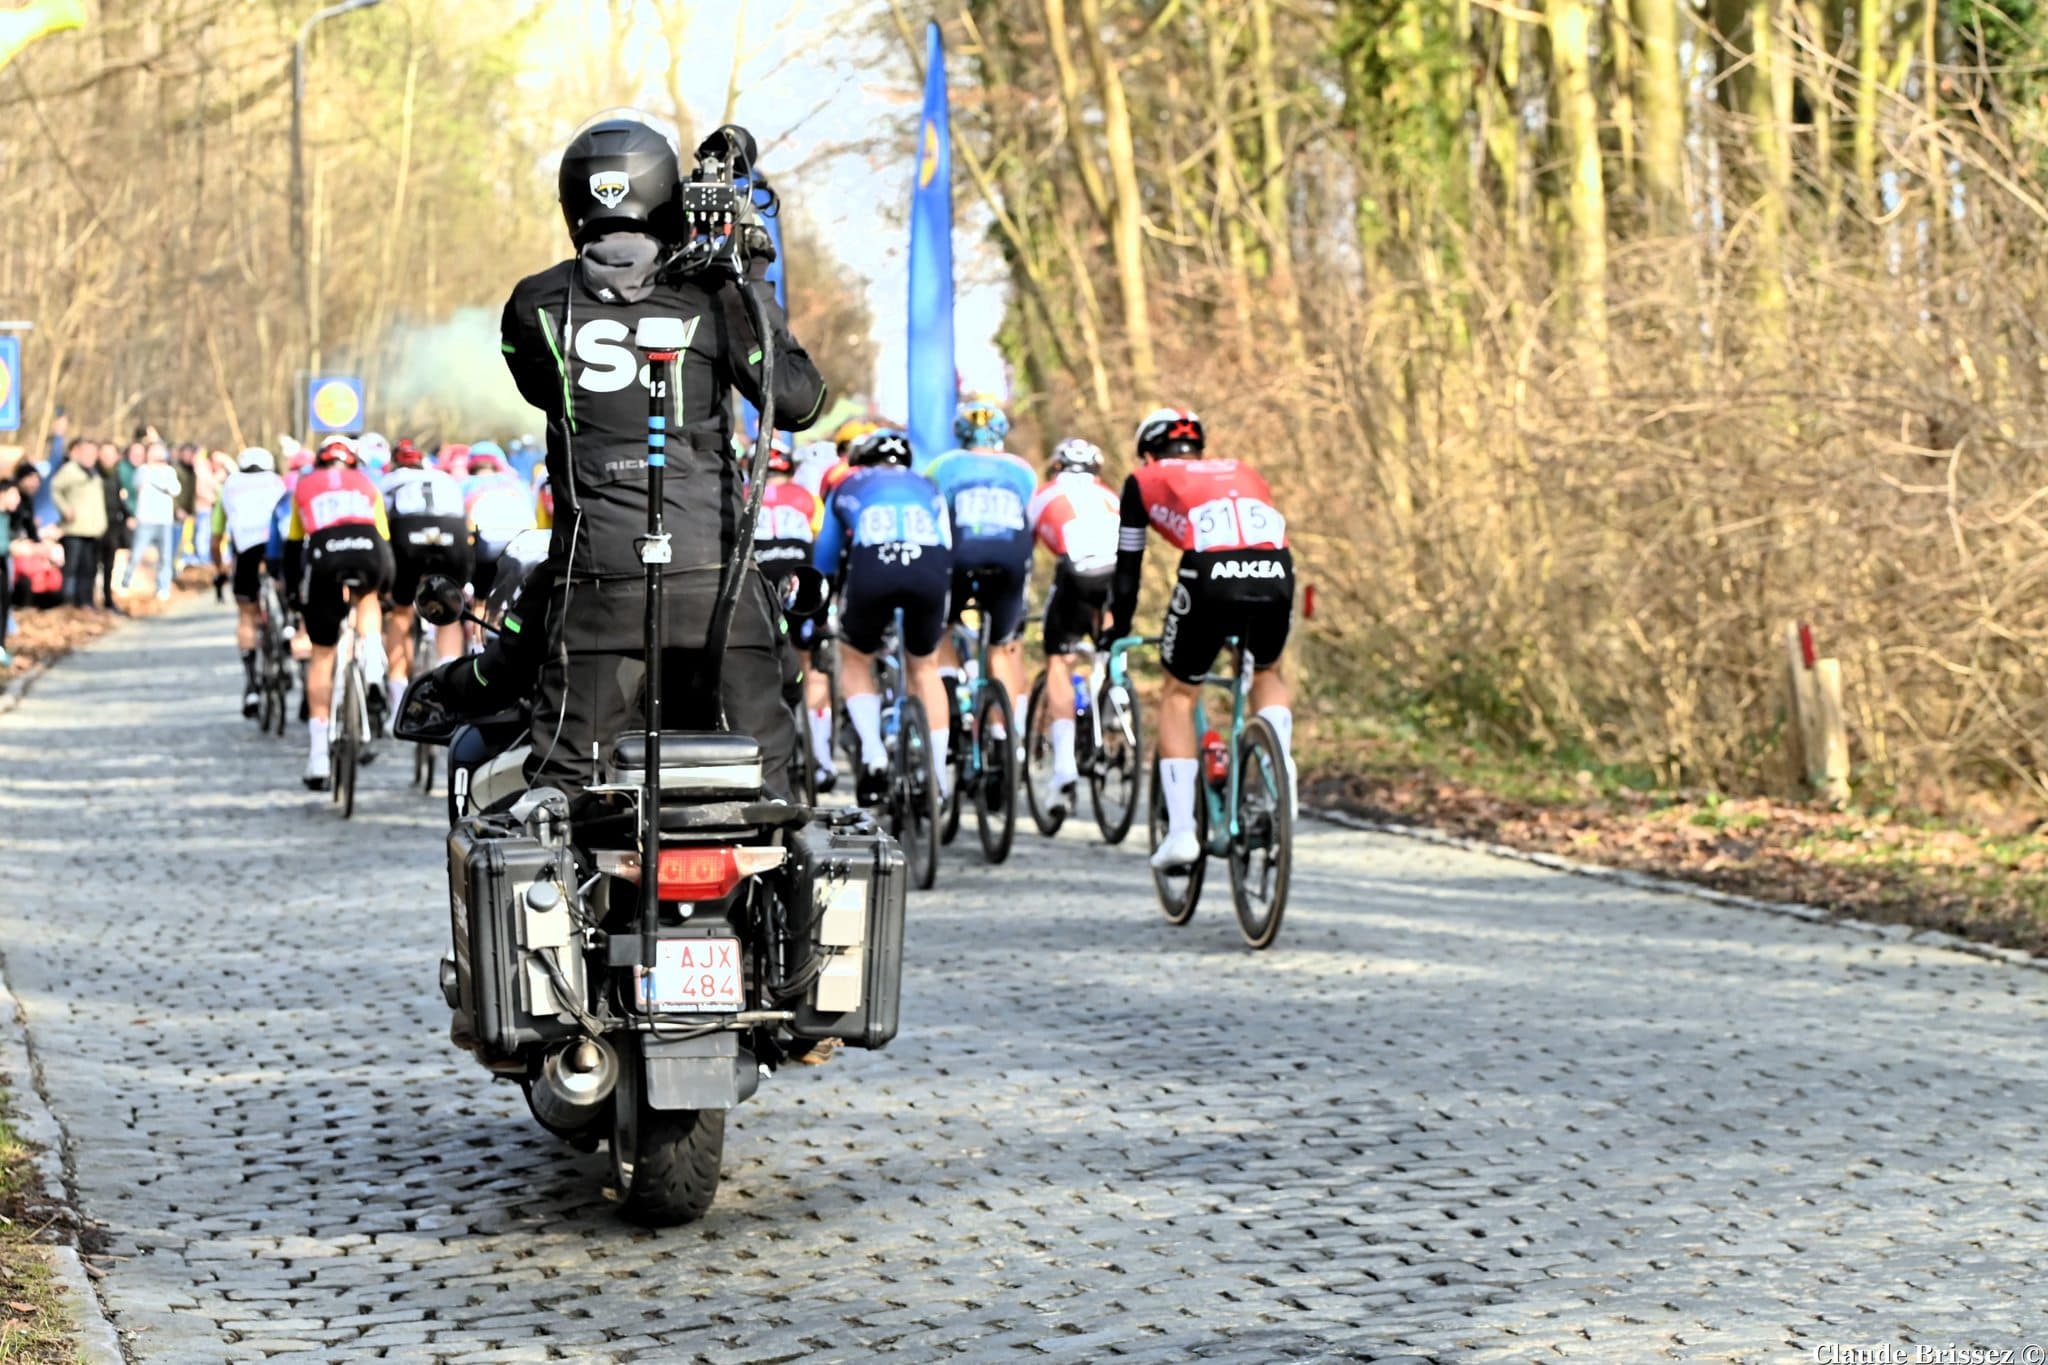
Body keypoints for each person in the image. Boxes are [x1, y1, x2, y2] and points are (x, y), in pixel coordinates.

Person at [498, 110, 826, 799]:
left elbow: (540, 389)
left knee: (563, 795)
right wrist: (749, 270)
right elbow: (798, 400)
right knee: (768, 793)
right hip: (717, 586)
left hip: (594, 589)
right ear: (669, 198)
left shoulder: (534, 306)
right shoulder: (715, 297)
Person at [1105, 407, 1295, 871]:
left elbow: (1128, 567)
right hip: (1276, 570)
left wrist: (1119, 627)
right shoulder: (1242, 470)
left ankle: (1182, 834)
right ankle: (1281, 770)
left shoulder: (1143, 479)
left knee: (1179, 692)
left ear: (1149, 452)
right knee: (1265, 668)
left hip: (1210, 575)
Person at [813, 429, 952, 805]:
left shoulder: (847, 484)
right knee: (925, 667)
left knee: (855, 655)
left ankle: (874, 752)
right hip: (930, 566)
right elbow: (947, 545)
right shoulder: (928, 486)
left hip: (875, 563)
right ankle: (939, 777)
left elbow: (825, 557)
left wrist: (822, 606)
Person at [282, 437, 394, 790]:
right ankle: (374, 662)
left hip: (324, 554)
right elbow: (384, 538)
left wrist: (292, 594)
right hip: (367, 549)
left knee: (322, 655)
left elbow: (291, 546)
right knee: (369, 597)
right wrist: (386, 587)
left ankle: (317, 756)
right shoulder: (366, 484)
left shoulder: (304, 485)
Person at [926, 398, 1038, 745]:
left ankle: (949, 697)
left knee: (942, 627)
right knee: (1001, 647)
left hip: (961, 555)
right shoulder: (1022, 470)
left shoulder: (941, 466)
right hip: (1012, 557)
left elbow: (932, 519)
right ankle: (1002, 730)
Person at [1029, 437, 1122, 816]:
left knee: (1058, 661)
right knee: (1110, 634)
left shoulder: (1045, 493)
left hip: (1076, 570)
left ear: (1057, 468)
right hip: (1116, 571)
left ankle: (1064, 765)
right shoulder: (1110, 495)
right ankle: (1114, 687)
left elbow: (1025, 551)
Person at [752, 433, 834, 792]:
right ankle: (823, 760)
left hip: (760, 581)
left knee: (756, 656)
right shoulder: (808, 498)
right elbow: (820, 545)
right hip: (801, 579)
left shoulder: (742, 496)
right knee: (811, 663)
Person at [380, 437, 472, 718]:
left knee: (401, 609)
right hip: (452, 534)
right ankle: (452, 686)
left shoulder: (387, 481)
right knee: (450, 611)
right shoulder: (443, 478)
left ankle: (398, 702)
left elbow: (380, 528)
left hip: (408, 533)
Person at [211, 448, 287, 716]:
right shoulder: (279, 482)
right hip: (277, 549)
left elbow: (216, 535)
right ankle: (289, 628)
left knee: (246, 616)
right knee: (290, 596)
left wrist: (219, 568)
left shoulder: (229, 486)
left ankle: (252, 684)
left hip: (246, 552)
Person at [459, 442, 535, 600]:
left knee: (481, 602)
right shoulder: (519, 484)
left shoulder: (465, 485)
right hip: (523, 547)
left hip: (485, 547)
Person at [49, 440, 107, 608]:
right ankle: (68, 601)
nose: (90, 457)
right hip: (75, 529)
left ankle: (86, 601)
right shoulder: (70, 470)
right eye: (87, 453)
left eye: (93, 454)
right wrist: (65, 509)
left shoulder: (94, 473)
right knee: (72, 569)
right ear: (79, 453)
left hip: (93, 529)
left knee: (89, 569)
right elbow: (55, 488)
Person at [123, 443, 183, 600]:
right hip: (146, 519)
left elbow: (175, 489)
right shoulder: (142, 470)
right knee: (136, 553)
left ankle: (163, 587)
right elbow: (137, 484)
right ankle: (126, 582)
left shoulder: (170, 471)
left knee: (165, 556)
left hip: (165, 520)